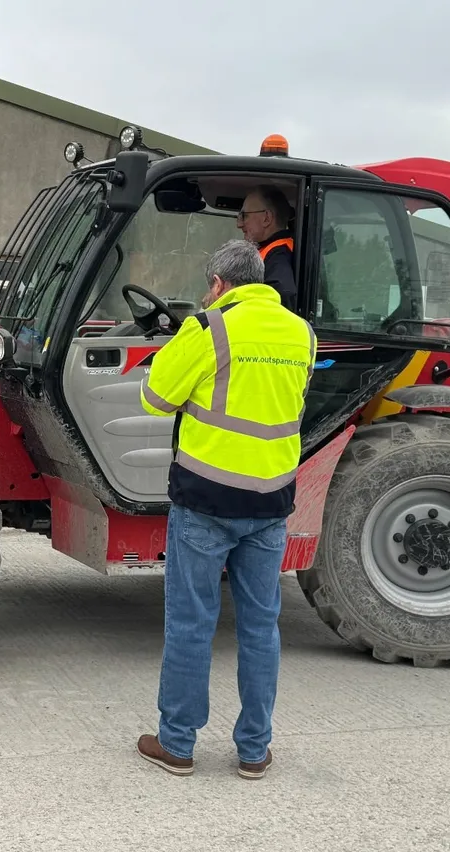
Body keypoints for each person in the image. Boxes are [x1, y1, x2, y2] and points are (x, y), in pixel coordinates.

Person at [136, 239, 316, 780]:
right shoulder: (301, 333)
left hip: (206, 501)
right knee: (261, 627)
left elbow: (154, 398)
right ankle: (255, 751)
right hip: (271, 503)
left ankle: (178, 746)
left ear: (218, 284)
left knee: (192, 624)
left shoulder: (209, 329)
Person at [237, 186, 297, 312]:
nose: (239, 224)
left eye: (244, 216)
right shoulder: (271, 250)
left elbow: (283, 297)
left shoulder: (279, 256)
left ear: (267, 218)